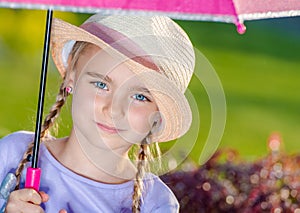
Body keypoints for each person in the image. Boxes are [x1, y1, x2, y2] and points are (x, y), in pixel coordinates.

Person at [0, 14, 195, 212]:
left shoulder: (156, 204)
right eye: (101, 84)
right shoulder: (12, 155)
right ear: (71, 78)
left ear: (157, 117)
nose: (113, 109)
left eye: (139, 96)